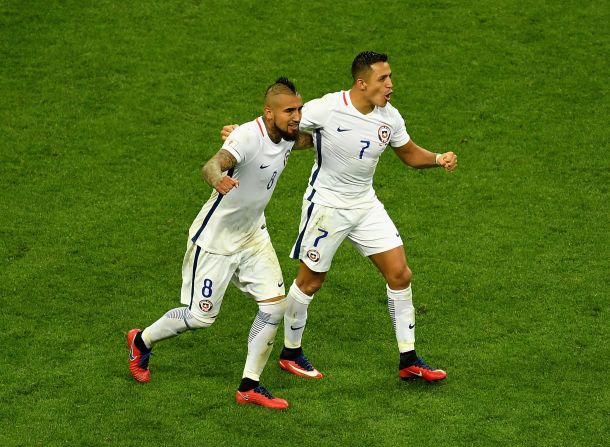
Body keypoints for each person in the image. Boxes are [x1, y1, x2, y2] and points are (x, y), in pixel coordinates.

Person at [222, 51, 457, 383]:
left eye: (390, 77)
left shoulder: (389, 117)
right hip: (327, 207)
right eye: (383, 79)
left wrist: (437, 158)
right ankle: (290, 353)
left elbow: (408, 153)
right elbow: (285, 126)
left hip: (365, 205)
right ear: (362, 83)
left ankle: (408, 360)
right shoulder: (329, 107)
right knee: (310, 281)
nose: (390, 85)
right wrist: (247, 135)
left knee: (400, 274)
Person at [127, 78, 305, 409]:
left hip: (253, 235)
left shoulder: (287, 135)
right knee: (200, 318)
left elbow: (305, 141)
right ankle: (141, 340)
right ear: (269, 112)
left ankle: (249, 385)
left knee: (273, 306)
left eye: (299, 109)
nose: (296, 116)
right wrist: (217, 179)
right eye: (289, 111)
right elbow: (213, 163)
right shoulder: (247, 138)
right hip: (216, 242)